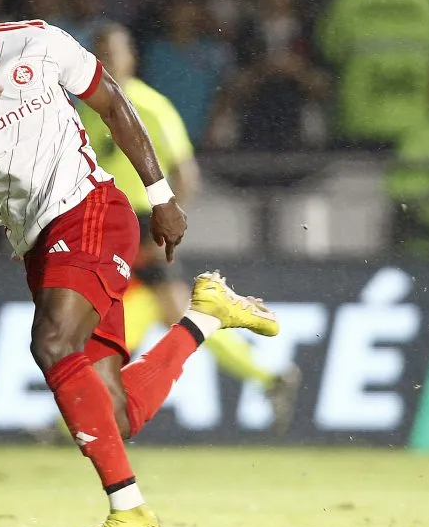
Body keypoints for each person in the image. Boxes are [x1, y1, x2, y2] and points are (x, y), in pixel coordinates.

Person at [0, 0, 280, 527]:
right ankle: (205, 316)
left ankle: (131, 512)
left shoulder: (38, 42)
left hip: (92, 208)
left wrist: (163, 196)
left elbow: (113, 105)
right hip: (37, 244)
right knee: (115, 415)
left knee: (51, 342)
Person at [77, 22, 301, 436]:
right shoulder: (84, 108)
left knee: (104, 323)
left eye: (113, 51)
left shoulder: (150, 105)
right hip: (103, 228)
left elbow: (186, 172)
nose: (106, 59)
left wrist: (169, 221)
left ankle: (74, 417)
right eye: (99, 51)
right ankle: (269, 376)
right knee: (162, 318)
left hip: (141, 225)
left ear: (132, 57)